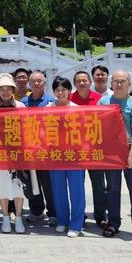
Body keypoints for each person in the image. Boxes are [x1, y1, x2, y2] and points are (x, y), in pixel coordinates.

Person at [98, 70, 132, 241]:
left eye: (123, 81)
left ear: (129, 83)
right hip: (111, 153)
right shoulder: (104, 102)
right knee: (112, 190)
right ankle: (113, 223)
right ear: (112, 84)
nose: (119, 84)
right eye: (116, 81)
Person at [0, 74, 28, 234]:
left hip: (17, 152)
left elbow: (27, 130)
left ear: (13, 90)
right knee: (2, 185)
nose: (5, 92)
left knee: (18, 185)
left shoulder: (20, 106)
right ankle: (5, 216)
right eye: (1, 89)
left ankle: (18, 217)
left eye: (8, 88)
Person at [69, 71, 107, 228]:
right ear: (74, 83)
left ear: (90, 82)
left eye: (85, 80)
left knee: (98, 184)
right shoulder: (70, 98)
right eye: (79, 81)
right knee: (77, 185)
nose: (82, 83)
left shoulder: (100, 99)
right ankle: (80, 215)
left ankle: (100, 216)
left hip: (94, 149)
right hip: (75, 149)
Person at [49, 77, 86, 237]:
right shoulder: (48, 108)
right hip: (55, 155)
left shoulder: (77, 109)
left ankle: (76, 224)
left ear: (70, 91)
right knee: (58, 190)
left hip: (74, 155)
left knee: (76, 190)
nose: (60, 92)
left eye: (64, 89)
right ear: (54, 92)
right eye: (57, 89)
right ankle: (62, 220)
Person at [21, 70, 56, 225]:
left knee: (48, 183)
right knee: (30, 183)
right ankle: (36, 211)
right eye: (33, 81)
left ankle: (53, 212)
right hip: (27, 150)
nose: (36, 83)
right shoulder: (23, 102)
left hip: (46, 151)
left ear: (44, 83)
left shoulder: (51, 101)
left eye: (39, 81)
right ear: (29, 83)